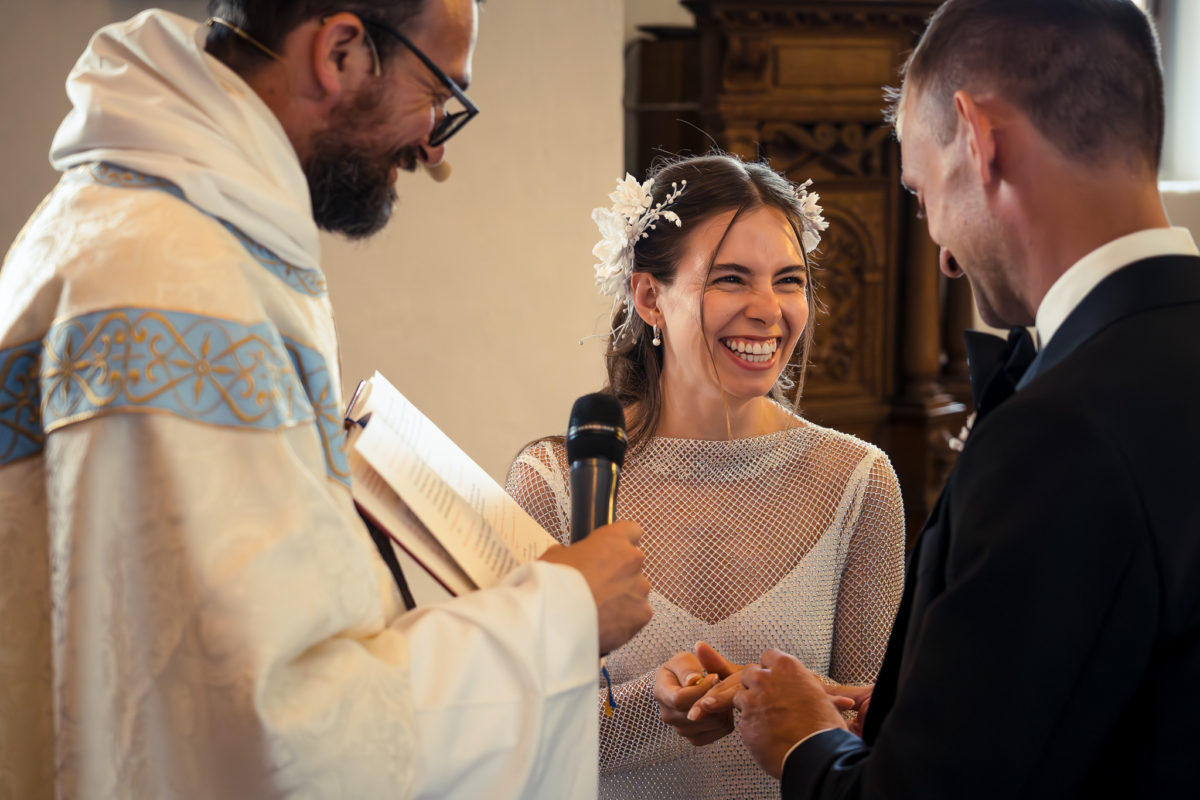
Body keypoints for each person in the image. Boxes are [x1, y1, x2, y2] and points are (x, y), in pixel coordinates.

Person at [0, 2, 653, 798]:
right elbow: (272, 732)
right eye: (439, 92)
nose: (435, 150)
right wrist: (564, 614)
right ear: (341, 52)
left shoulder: (128, 228)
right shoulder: (177, 285)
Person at [720, 0, 1200, 796]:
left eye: (921, 190)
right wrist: (922, 709)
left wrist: (806, 741)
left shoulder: (1059, 435)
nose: (940, 251)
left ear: (979, 141)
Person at [505, 154, 906, 799]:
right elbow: (520, 729)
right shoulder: (556, 482)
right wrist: (659, 701)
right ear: (648, 297)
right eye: (731, 279)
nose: (768, 309)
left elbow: (873, 733)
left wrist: (760, 699)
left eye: (789, 280)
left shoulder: (858, 483)